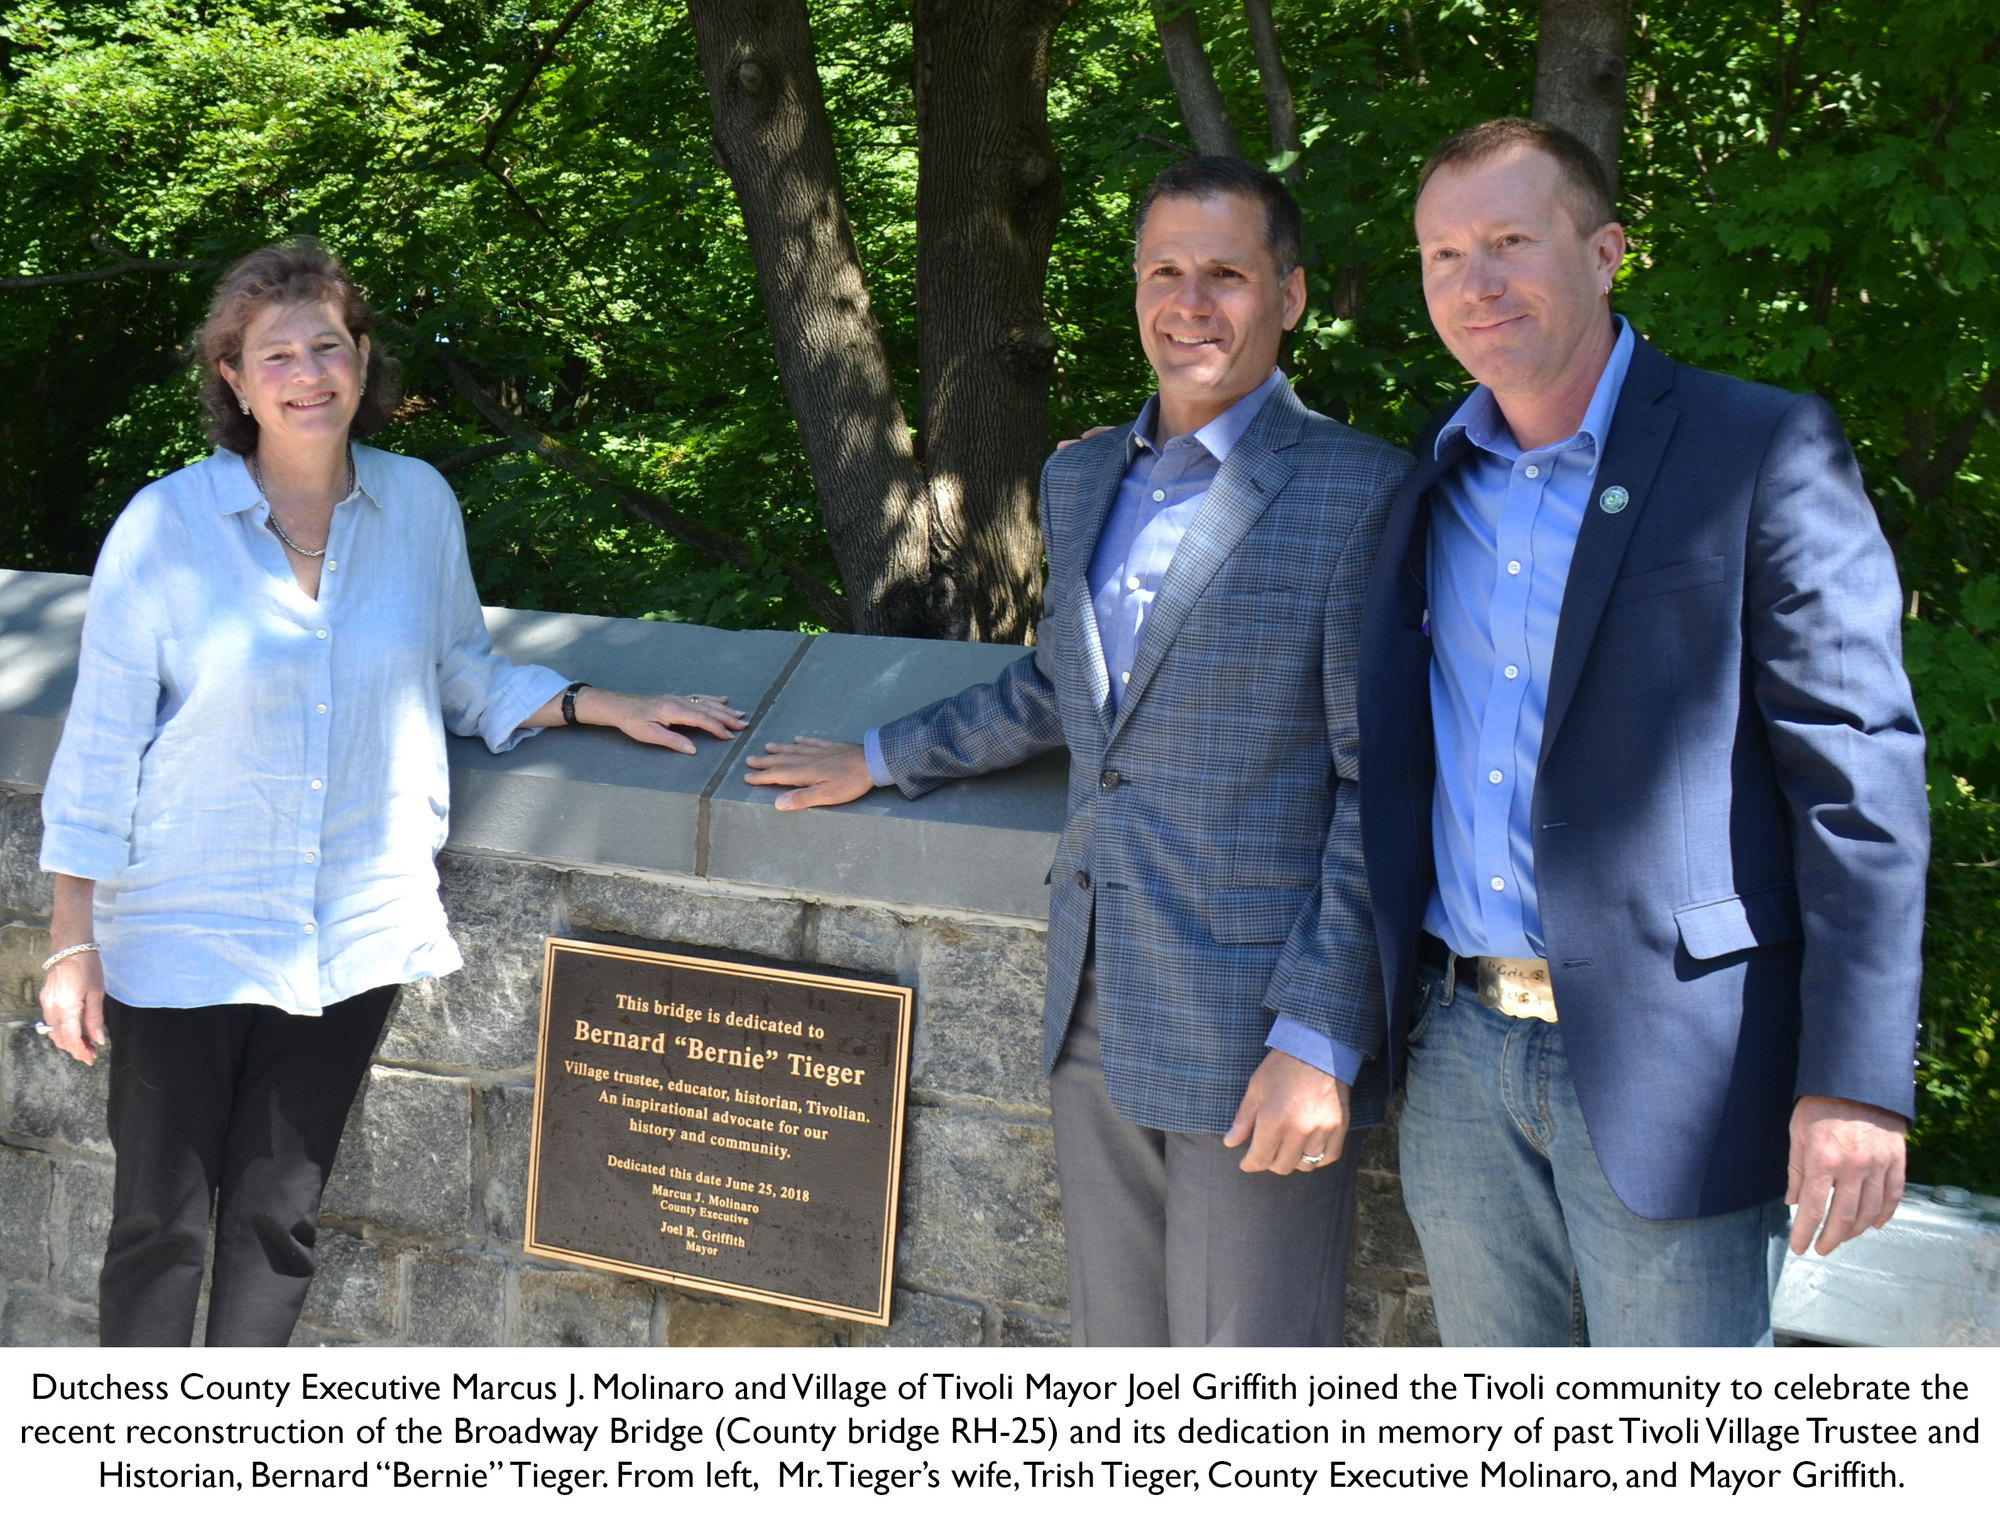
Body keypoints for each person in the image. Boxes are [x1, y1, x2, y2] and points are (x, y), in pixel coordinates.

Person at [742, 159, 1409, 1346]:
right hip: (1092, 989)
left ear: (1290, 295)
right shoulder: (1082, 471)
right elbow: (1067, 685)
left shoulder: (1364, 494)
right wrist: (885, 755)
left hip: (1253, 1018)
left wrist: (1317, 1034)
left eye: (1225, 274)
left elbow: (1379, 789)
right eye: (1164, 271)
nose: (1189, 302)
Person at [35, 239, 747, 1347]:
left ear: (363, 359)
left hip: (349, 931)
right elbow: (99, 744)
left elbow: (459, 665)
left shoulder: (417, 505)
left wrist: (593, 704)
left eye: (329, 343)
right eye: (277, 352)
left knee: (278, 1218)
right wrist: (71, 941)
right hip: (178, 929)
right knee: (159, 1226)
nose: (307, 370)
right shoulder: (164, 526)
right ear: (233, 376)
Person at [1357, 119, 1928, 1346]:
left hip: (1679, 1068)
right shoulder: (1431, 480)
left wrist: (1854, 1077)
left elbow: (1856, 781)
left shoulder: (1754, 444)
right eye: (1442, 253)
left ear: (1605, 250)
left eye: (1510, 240)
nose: (1475, 281)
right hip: (1456, 1056)